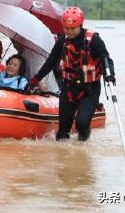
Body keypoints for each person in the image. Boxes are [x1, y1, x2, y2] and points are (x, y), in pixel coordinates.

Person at [29, 7, 115, 141]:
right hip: (69, 88)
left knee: (81, 123)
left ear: (80, 25)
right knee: (62, 131)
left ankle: (83, 144)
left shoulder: (94, 40)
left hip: (90, 90)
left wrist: (110, 74)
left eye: (72, 28)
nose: (69, 32)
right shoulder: (62, 41)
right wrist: (36, 79)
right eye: (66, 28)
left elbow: (106, 59)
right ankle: (65, 158)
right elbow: (51, 61)